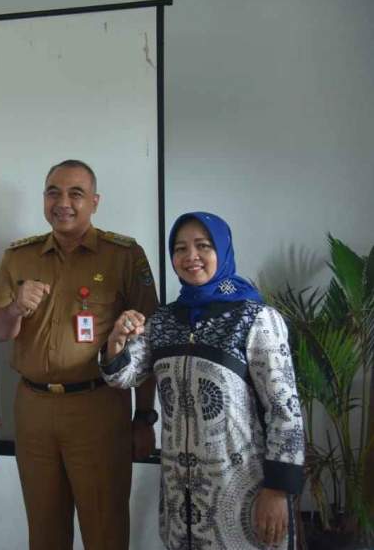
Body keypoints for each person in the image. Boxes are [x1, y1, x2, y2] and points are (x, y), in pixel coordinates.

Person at [101, 212, 305, 549]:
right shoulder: (163, 320)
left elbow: (284, 411)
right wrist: (116, 341)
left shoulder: (255, 318)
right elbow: (123, 376)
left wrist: (278, 489)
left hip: (244, 495)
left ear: (222, 250)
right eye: (180, 248)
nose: (190, 256)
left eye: (203, 246)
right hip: (180, 500)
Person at [0, 159, 158, 550]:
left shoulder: (123, 255)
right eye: (53, 193)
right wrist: (15, 308)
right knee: (44, 530)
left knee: (105, 529)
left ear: (94, 202)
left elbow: (147, 343)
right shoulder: (19, 257)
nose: (62, 203)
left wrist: (145, 417)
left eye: (75, 194)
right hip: (33, 407)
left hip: (98, 407)